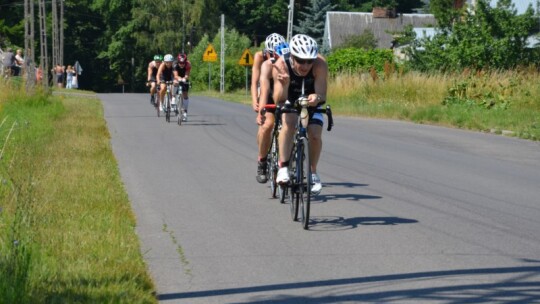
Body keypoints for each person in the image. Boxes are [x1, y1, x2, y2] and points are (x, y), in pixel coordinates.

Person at [271, 34, 328, 195]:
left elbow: (322, 95)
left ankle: (312, 172)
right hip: (289, 98)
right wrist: (285, 84)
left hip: (311, 102)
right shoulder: (282, 64)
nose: (305, 65)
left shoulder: (320, 64)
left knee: (315, 134)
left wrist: (317, 97)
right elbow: (278, 99)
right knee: (289, 123)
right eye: (301, 60)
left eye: (309, 61)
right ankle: (283, 167)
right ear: (293, 57)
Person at [252, 33, 287, 183]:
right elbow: (255, 82)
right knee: (267, 125)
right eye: (272, 55)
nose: (275, 58)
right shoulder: (260, 57)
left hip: (282, 88)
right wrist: (256, 102)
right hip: (265, 86)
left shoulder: (286, 58)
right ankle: (262, 161)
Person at [173, 53, 192, 122]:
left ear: (185, 62)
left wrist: (184, 78)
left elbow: (187, 74)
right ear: (178, 62)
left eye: (183, 63)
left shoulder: (188, 65)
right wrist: (179, 78)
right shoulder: (175, 65)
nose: (181, 64)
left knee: (185, 95)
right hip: (177, 77)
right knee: (174, 83)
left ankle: (185, 113)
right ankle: (173, 99)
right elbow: (175, 75)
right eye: (180, 63)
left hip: (184, 77)